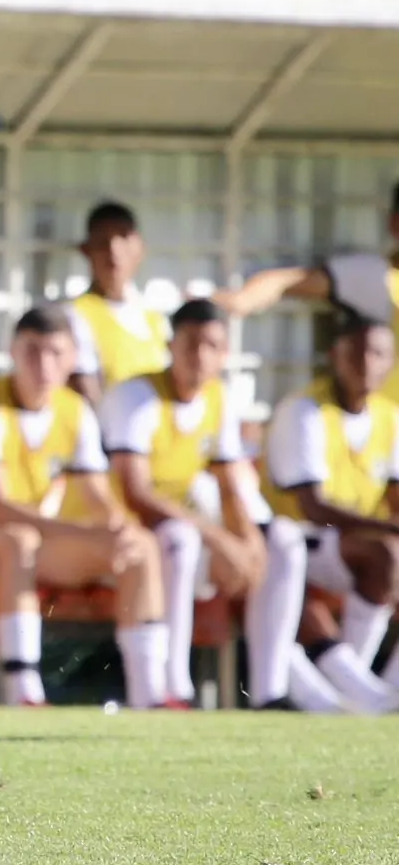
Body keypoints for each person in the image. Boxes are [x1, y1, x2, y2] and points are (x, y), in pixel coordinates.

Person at [0, 306, 172, 708]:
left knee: (140, 545)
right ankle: (22, 689)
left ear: (72, 358)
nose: (44, 365)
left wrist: (118, 528)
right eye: (32, 351)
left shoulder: (74, 409)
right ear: (13, 353)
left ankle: (152, 693)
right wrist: (87, 533)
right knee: (19, 540)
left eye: (55, 353)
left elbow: (97, 496)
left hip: (30, 539)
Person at [97, 299, 297, 708]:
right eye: (191, 344)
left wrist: (247, 542)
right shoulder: (136, 397)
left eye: (212, 346)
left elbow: (229, 482)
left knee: (283, 544)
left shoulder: (219, 398)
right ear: (171, 346)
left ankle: (270, 691)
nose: (201, 356)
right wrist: (222, 541)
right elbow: (136, 493)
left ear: (225, 353)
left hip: (186, 526)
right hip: (123, 535)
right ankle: (174, 688)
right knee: (180, 540)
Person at [259, 312, 399, 712]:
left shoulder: (388, 417)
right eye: (356, 352)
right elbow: (312, 506)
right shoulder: (305, 410)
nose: (366, 363)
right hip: (295, 538)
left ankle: (375, 689)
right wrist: (388, 528)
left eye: (378, 354)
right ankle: (359, 689)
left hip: (350, 542)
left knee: (388, 554)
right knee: (385, 553)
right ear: (335, 356)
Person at [218, 179, 399, 403]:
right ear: (394, 223)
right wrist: (241, 300)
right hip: (380, 420)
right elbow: (284, 282)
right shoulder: (374, 275)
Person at [66, 200, 170, 405]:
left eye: (123, 237)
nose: (113, 250)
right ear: (86, 250)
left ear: (139, 247)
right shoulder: (75, 314)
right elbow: (84, 389)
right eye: (102, 242)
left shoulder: (155, 318)